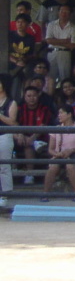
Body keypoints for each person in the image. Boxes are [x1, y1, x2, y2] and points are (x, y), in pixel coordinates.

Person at [44, 106, 75, 198]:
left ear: (69, 114)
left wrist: (72, 150)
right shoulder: (56, 129)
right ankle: (45, 193)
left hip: (74, 155)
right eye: (59, 113)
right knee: (53, 167)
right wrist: (57, 154)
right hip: (59, 155)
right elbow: (50, 149)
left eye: (61, 113)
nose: (59, 115)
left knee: (70, 166)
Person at [43, 4, 75, 85]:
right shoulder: (51, 25)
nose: (64, 13)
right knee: (50, 77)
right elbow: (48, 40)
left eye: (66, 11)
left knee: (65, 77)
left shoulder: (73, 27)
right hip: (52, 52)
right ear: (58, 12)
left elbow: (73, 46)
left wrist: (55, 41)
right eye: (62, 11)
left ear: (70, 14)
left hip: (65, 53)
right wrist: (65, 41)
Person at [0, 77, 17, 206]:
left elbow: (12, 121)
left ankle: (5, 194)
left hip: (4, 136)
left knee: (4, 166)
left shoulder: (11, 102)